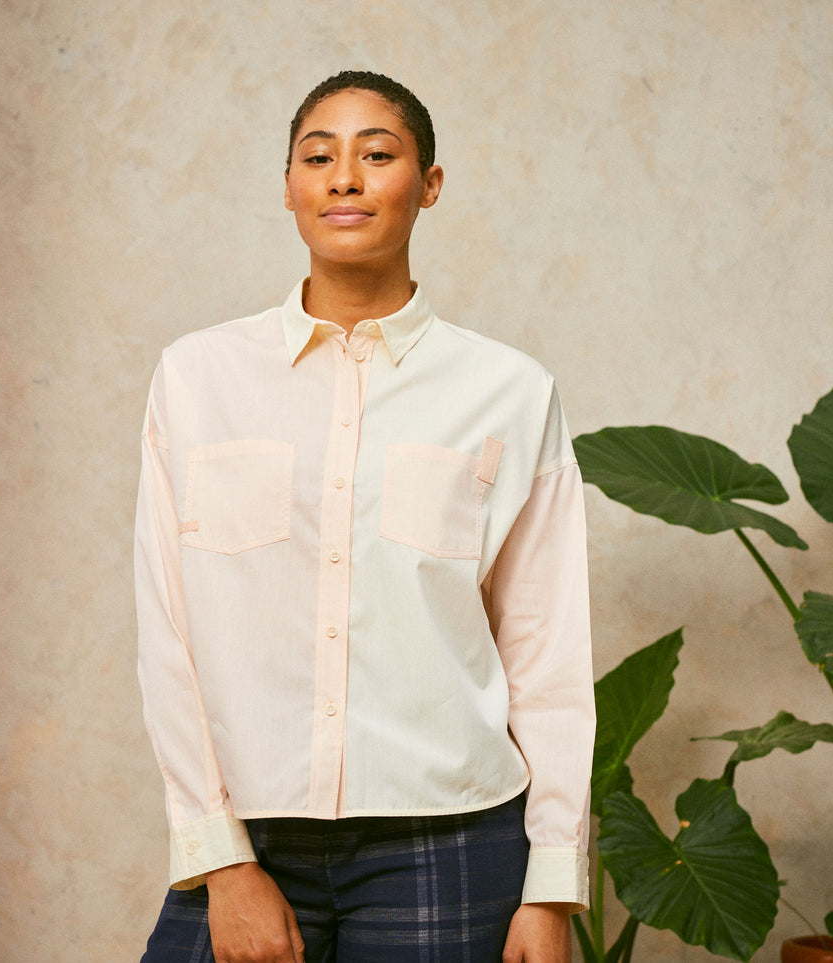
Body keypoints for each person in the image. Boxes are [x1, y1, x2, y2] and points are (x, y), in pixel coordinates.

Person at [135, 70, 595, 963]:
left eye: (376, 154)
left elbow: (544, 653)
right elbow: (169, 630)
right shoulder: (195, 379)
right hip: (249, 830)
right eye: (319, 156)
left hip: (449, 835)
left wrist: (550, 885)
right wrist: (221, 860)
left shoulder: (507, 392)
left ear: (428, 186)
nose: (344, 177)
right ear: (288, 188)